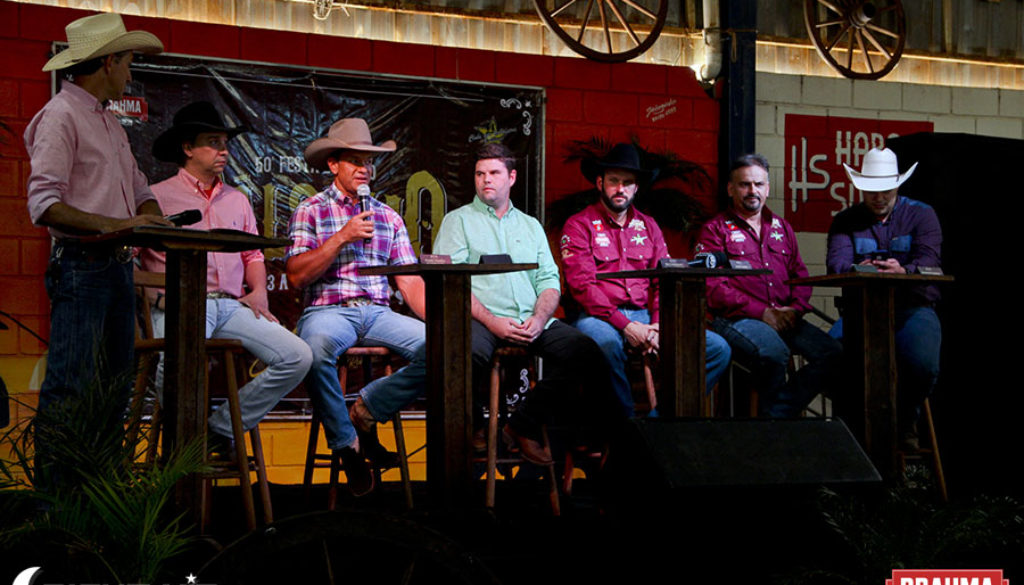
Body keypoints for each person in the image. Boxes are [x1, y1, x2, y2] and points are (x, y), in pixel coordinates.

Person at [140, 101, 312, 452]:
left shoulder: (238, 200)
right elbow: (128, 258)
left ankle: (217, 431)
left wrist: (260, 290)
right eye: (213, 142)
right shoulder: (154, 198)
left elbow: (252, 254)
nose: (224, 150)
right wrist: (152, 294)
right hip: (178, 303)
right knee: (178, 362)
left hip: (229, 306)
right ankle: (182, 448)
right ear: (187, 148)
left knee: (298, 355)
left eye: (225, 143)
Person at [433, 143, 619, 465]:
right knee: (463, 350)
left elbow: (549, 280)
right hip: (484, 319)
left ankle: (521, 424)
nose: (485, 180)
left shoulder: (531, 225)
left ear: (512, 177)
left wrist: (539, 316)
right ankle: (476, 432)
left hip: (532, 319)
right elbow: (453, 284)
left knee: (588, 352)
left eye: (493, 173)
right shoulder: (458, 221)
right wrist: (492, 321)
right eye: (480, 173)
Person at [25, 13, 170, 416]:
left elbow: (140, 188)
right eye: (127, 62)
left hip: (114, 266)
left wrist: (152, 217)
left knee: (112, 390)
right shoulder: (62, 115)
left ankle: (98, 479)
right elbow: (44, 206)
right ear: (109, 63)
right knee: (72, 389)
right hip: (82, 267)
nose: (129, 73)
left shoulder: (108, 122)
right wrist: (123, 225)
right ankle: (59, 482)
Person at [286, 118, 426, 496]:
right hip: (329, 310)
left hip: (378, 311)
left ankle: (365, 411)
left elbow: (409, 282)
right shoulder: (311, 210)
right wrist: (341, 237)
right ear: (333, 165)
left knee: (445, 349)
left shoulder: (388, 216)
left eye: (369, 161)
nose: (364, 168)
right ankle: (348, 446)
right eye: (355, 160)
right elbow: (297, 276)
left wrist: (447, 325)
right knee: (312, 351)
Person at [561, 143, 731, 417]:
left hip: (646, 316)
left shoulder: (649, 226)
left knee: (717, 348)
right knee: (604, 345)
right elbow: (583, 286)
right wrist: (626, 325)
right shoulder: (579, 225)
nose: (620, 189)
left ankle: (660, 422)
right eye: (614, 181)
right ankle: (628, 429)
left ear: (636, 188)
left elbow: (662, 281)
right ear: (599, 182)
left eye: (628, 183)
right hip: (599, 317)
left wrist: (656, 324)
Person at [696, 154, 842, 417]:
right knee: (775, 353)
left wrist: (795, 309)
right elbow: (713, 287)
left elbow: (799, 274)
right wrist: (763, 312)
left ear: (768, 188)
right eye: (745, 184)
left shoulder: (782, 228)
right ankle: (773, 430)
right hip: (737, 319)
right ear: (731, 189)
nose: (753, 191)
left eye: (759, 184)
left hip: (785, 315)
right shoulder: (715, 230)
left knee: (834, 354)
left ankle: (774, 419)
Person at [827, 147, 942, 446]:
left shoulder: (922, 214)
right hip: (860, 311)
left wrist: (903, 270)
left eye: (885, 191)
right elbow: (835, 264)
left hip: (912, 308)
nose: (878, 197)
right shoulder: (845, 220)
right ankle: (849, 434)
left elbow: (929, 260)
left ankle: (904, 422)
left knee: (921, 362)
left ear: (898, 185)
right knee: (830, 356)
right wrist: (860, 269)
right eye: (871, 191)